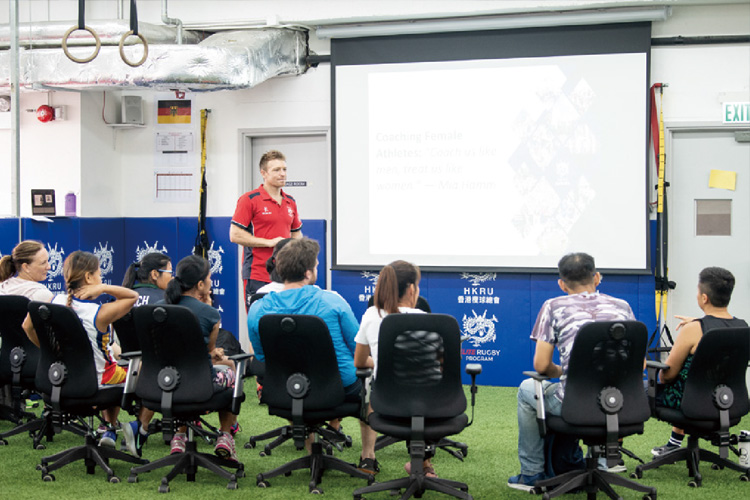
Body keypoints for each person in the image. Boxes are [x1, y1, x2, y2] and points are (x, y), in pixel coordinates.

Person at [508, 252, 636, 491]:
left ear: (562, 284)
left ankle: (532, 473)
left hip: (575, 403)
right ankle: (601, 461)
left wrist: (564, 372)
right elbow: (638, 365)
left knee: (528, 389)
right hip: (621, 403)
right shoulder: (623, 307)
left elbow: (541, 366)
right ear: (597, 277)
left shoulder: (553, 306)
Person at [247, 238, 375, 465]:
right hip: (339, 389)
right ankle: (368, 456)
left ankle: (311, 453)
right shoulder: (333, 302)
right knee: (370, 388)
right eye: (316, 266)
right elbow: (358, 351)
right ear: (308, 273)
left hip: (286, 390)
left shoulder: (257, 309)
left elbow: (262, 357)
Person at [22, 251, 139, 451]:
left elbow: (27, 327)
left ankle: (109, 429)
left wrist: (49, 350)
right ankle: (134, 427)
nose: (101, 278)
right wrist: (103, 288)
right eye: (99, 275)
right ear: (88, 277)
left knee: (111, 367)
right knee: (138, 371)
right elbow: (133, 296)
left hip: (57, 381)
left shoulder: (52, 302)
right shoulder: (99, 313)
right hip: (97, 384)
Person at [650, 267, 747, 457]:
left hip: (693, 404)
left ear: (704, 298)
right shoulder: (743, 327)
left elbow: (667, 376)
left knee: (645, 389)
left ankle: (611, 457)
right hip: (730, 402)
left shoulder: (693, 329)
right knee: (691, 382)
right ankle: (674, 441)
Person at [158, 254, 239, 462]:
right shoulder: (210, 314)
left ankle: (179, 436)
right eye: (210, 279)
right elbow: (210, 351)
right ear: (201, 284)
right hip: (201, 384)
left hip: (164, 383)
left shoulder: (159, 308)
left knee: (184, 373)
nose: (212, 283)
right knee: (231, 374)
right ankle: (225, 435)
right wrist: (214, 352)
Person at [354, 260, 426, 476]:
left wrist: (384, 360)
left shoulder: (371, 316)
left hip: (384, 401)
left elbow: (359, 362)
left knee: (369, 383)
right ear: (412, 289)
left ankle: (368, 456)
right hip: (427, 403)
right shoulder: (426, 320)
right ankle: (424, 462)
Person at [229, 150, 303, 309]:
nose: (282, 174)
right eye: (276, 170)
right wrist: (269, 243)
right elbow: (234, 235)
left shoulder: (290, 201)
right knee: (260, 323)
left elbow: (296, 233)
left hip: (285, 275)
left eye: (284, 169)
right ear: (263, 173)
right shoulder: (249, 199)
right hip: (257, 273)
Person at [119, 252, 173, 457]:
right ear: (154, 274)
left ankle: (114, 428)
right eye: (169, 272)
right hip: (158, 373)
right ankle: (143, 428)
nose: (172, 277)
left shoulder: (124, 295)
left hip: (127, 368)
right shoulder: (167, 300)